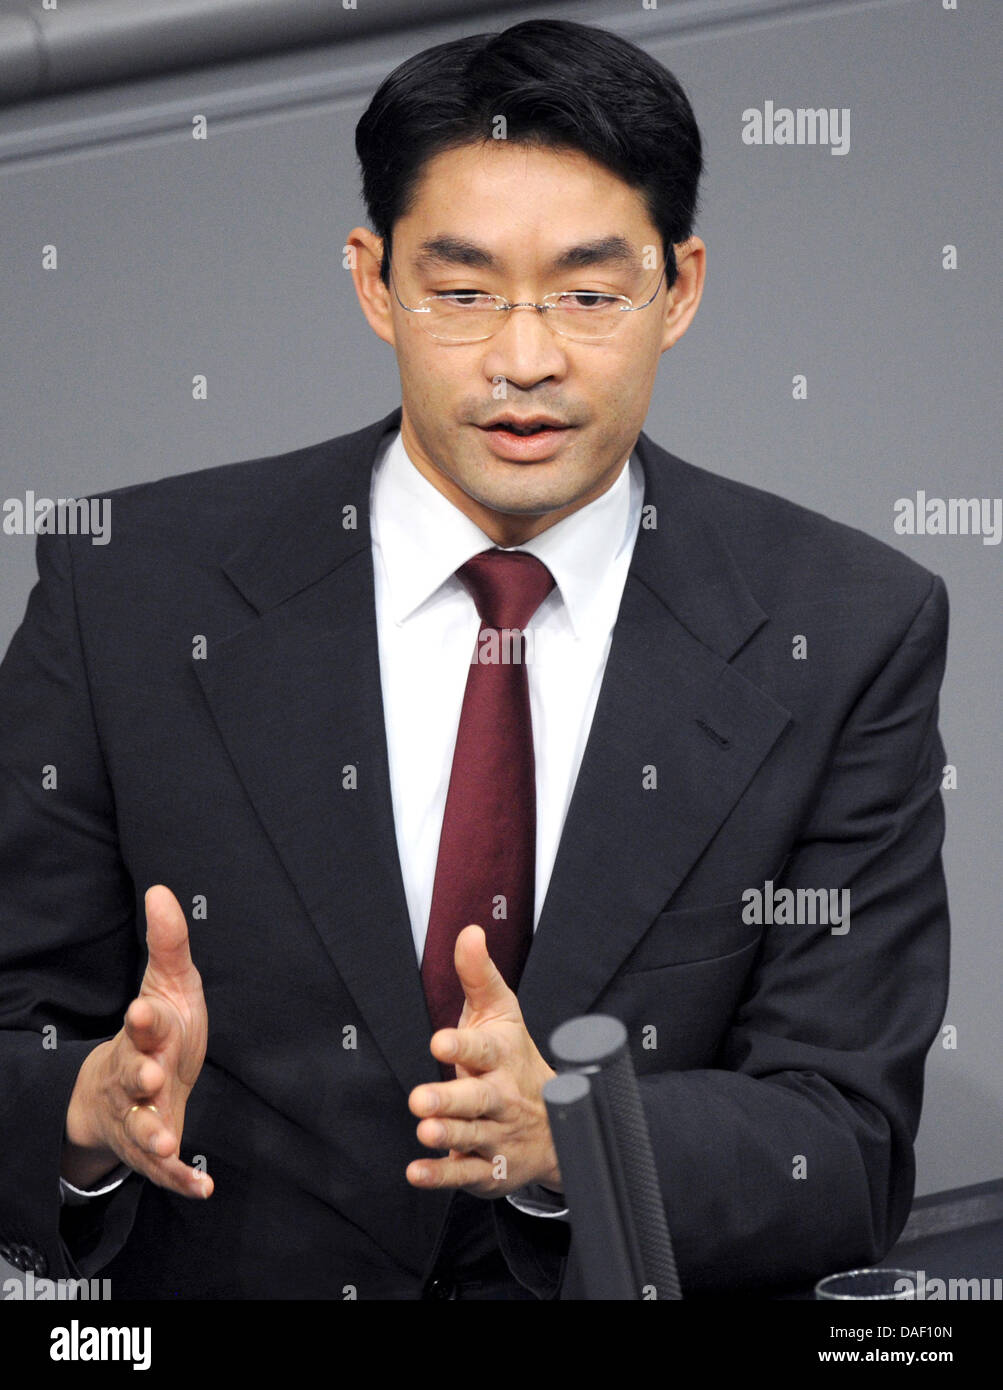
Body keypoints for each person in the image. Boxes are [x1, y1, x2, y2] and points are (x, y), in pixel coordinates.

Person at [0, 18, 949, 1300]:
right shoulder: (126, 588)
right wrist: (85, 1107)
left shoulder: (843, 629)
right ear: (371, 280)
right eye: (461, 291)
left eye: (587, 293)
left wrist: (578, 1140)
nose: (523, 358)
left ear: (681, 289)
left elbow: (844, 1146)